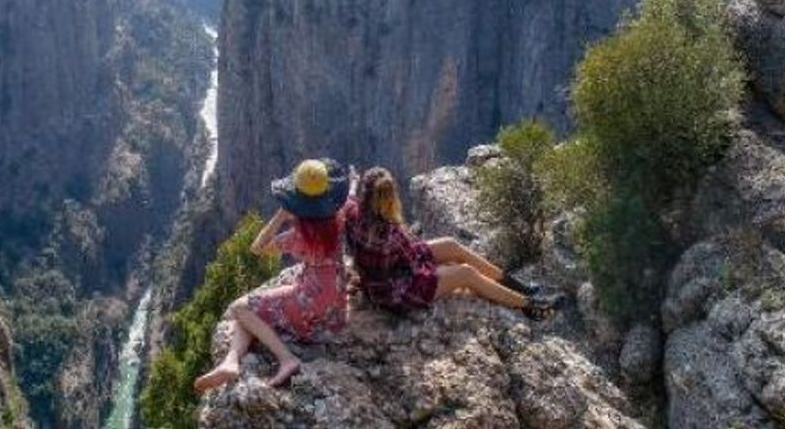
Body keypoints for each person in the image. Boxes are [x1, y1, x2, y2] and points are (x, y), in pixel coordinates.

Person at [193, 158, 351, 393]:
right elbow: (350, 200)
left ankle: (286, 359)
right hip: (336, 311)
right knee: (254, 312)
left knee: (240, 308)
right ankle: (231, 360)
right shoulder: (340, 220)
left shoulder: (297, 237)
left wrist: (281, 214)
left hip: (310, 307)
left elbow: (257, 247)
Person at [344, 166, 559, 320]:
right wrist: (447, 273)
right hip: (396, 292)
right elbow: (415, 267)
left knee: (450, 245)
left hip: (385, 275)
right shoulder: (391, 234)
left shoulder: (352, 213)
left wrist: (352, 181)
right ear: (390, 198)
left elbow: (350, 197)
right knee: (466, 273)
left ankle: (518, 286)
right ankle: (528, 304)